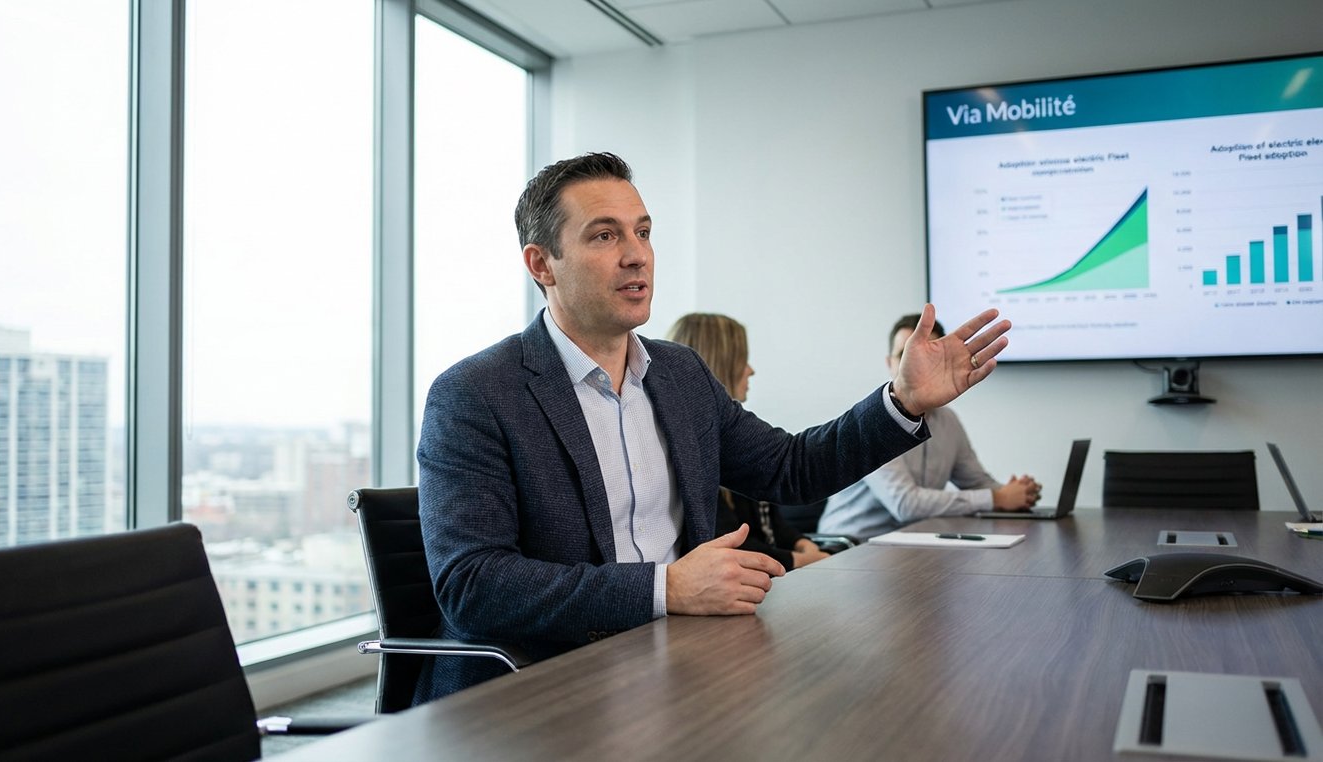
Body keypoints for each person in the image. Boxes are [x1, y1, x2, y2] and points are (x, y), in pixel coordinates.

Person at [415, 152, 1010, 703]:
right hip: (538, 691)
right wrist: (664, 589)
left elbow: (791, 467)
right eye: (604, 235)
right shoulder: (475, 394)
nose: (636, 254)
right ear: (541, 263)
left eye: (643, 232)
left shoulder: (678, 373)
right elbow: (474, 585)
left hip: (679, 666)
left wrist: (902, 400)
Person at [817, 314, 1040, 541]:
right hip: (848, 547)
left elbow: (975, 480)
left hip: (910, 543)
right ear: (889, 363)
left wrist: (1016, 494)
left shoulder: (948, 421)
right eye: (903, 355)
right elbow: (905, 504)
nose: (911, 364)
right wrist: (996, 498)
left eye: (923, 355)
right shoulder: (871, 420)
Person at [666, 312, 831, 570]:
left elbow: (770, 520)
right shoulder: (692, 451)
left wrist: (801, 544)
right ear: (721, 364)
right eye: (742, 359)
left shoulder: (740, 437)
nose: (751, 370)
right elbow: (730, 542)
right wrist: (800, 559)